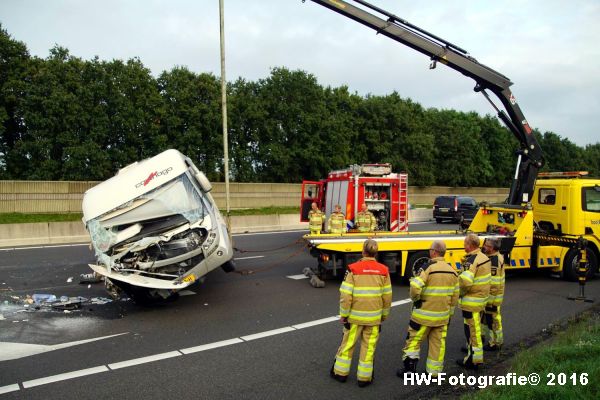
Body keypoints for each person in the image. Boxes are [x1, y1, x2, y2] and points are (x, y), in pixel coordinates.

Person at [331, 239, 392, 387]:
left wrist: (344, 315)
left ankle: (340, 373)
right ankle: (364, 379)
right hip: (374, 318)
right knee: (369, 347)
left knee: (348, 345)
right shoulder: (384, 270)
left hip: (354, 318)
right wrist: (384, 315)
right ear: (375, 252)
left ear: (363, 251)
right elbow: (387, 296)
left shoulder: (353, 268)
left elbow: (346, 295)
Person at [399, 240, 458, 376]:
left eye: (430, 249)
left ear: (434, 252)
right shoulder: (452, 271)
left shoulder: (427, 268)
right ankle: (434, 372)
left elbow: (415, 286)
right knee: (438, 345)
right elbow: (455, 297)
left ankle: (409, 370)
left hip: (423, 316)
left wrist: (416, 299)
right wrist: (449, 314)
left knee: (414, 341)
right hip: (442, 316)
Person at [457, 233, 491, 370]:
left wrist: (458, 294)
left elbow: (465, 282)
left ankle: (473, 360)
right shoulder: (484, 257)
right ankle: (474, 356)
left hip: (471, 302)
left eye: (465, 243)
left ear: (470, 245)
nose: (464, 246)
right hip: (481, 300)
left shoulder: (471, 261)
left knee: (472, 331)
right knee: (475, 330)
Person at [482, 238, 505, 351]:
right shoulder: (495, 257)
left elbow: (494, 284)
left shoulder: (494, 261)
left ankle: (495, 343)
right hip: (495, 297)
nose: (484, 247)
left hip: (493, 298)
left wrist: (489, 301)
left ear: (491, 248)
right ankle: (497, 341)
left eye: (486, 245)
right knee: (493, 320)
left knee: (493, 321)